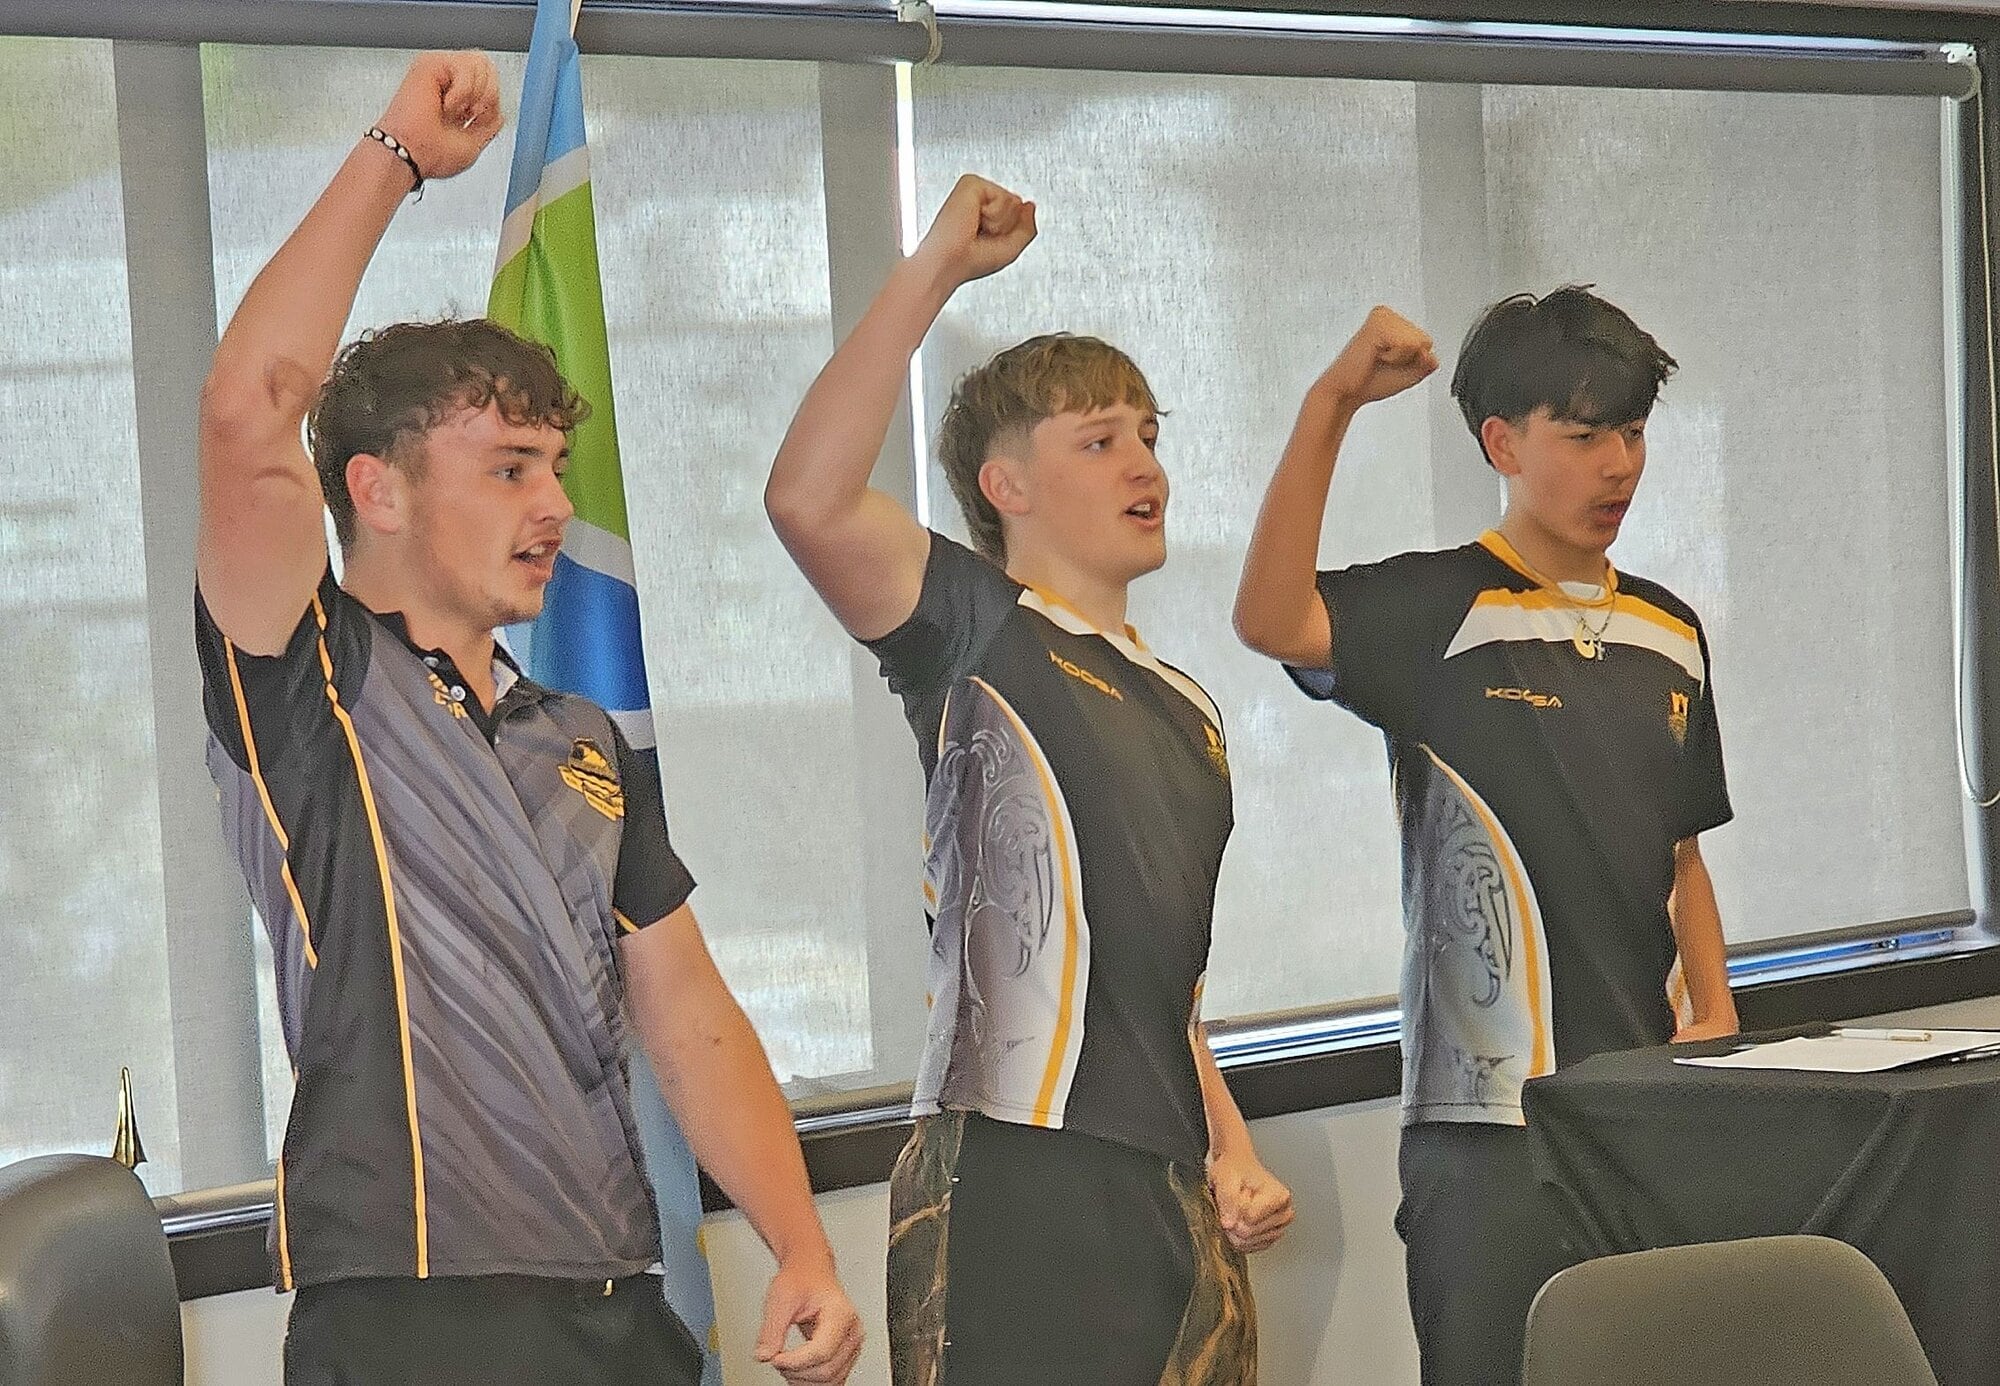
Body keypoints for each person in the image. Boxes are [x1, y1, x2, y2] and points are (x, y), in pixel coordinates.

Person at [194, 50, 861, 1386]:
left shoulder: (584, 738)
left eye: (555, 466)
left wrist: (801, 1242)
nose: (552, 504)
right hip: (407, 1318)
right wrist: (394, 152)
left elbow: (689, 1014)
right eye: (507, 469)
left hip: (616, 1309)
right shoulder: (305, 673)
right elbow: (250, 409)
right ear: (377, 492)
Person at [765, 174, 1293, 1386]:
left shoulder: (1188, 707)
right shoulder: (974, 629)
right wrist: (937, 266)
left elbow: (1159, 978)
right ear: (1004, 488)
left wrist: (1229, 1149)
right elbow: (807, 497)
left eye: (1150, 434)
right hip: (1012, 1170)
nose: (1140, 462)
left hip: (1164, 1179)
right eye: (1097, 439)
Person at [1233, 290, 1737, 1385]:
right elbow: (1269, 617)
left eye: (1633, 431)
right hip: (1483, 1131)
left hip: (1640, 1109)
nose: (1618, 465)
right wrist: (1330, 402)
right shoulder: (1436, 607)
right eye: (1582, 433)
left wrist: (1716, 1016)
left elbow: (1682, 852)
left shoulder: (1670, 630)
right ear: (1500, 443)